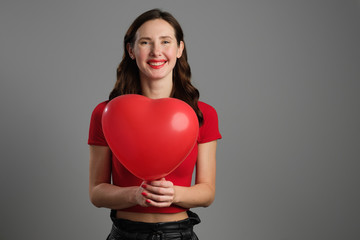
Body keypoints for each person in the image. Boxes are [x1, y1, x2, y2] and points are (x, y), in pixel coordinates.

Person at [88, 8, 222, 240]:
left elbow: (207, 193)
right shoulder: (106, 113)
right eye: (145, 42)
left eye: (165, 41)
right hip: (125, 234)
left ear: (180, 48)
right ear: (131, 50)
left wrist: (173, 194)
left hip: (179, 234)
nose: (156, 51)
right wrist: (134, 195)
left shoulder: (203, 114)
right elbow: (97, 192)